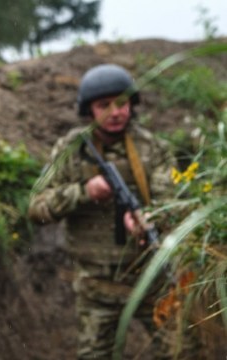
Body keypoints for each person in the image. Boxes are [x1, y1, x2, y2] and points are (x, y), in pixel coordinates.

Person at [27, 64, 199, 359]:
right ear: (89, 109)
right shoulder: (70, 150)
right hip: (97, 287)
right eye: (104, 105)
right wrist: (84, 192)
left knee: (182, 351)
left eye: (122, 103)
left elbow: (171, 201)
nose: (116, 112)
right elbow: (36, 208)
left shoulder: (152, 148)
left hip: (152, 279)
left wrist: (148, 218)